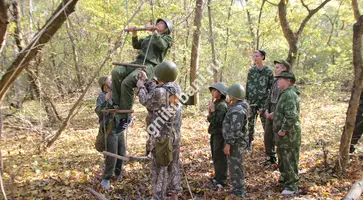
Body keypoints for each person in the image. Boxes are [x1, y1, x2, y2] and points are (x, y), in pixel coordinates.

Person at [111, 18, 173, 132]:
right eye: (158, 23)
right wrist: (134, 34)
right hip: (137, 62)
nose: (158, 24)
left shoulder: (167, 38)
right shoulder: (149, 38)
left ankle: (126, 117)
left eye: (161, 24)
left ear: (166, 29)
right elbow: (137, 45)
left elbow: (162, 45)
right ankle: (115, 102)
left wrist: (154, 32)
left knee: (127, 82)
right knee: (116, 72)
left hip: (149, 66)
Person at [136, 60, 182, 200]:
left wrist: (140, 86)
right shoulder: (176, 89)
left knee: (159, 169)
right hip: (175, 136)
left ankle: (159, 197)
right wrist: (147, 80)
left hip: (162, 137)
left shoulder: (159, 92)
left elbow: (145, 100)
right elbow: (159, 88)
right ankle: (174, 194)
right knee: (173, 165)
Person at [95, 76, 126, 190]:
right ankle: (106, 178)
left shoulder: (115, 94)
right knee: (111, 154)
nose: (112, 81)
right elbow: (99, 111)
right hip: (109, 129)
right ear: (104, 83)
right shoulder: (102, 96)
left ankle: (118, 174)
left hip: (118, 128)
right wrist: (107, 102)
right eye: (110, 80)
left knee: (121, 152)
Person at [273, 71, 301, 195]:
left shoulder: (289, 94)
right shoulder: (285, 93)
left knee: (290, 159)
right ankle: (286, 179)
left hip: (290, 135)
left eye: (280, 79)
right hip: (283, 135)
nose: (278, 81)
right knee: (283, 157)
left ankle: (292, 186)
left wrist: (283, 129)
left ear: (288, 81)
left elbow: (291, 115)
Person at [262, 60, 291, 166]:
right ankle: (270, 157)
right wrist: (265, 110)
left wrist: (276, 113)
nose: (275, 69)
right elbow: (269, 96)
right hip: (270, 110)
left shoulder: (287, 82)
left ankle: (282, 162)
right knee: (268, 136)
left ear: (284, 68)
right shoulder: (275, 81)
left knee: (279, 138)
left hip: (279, 113)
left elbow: (284, 101)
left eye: (278, 67)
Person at [222, 83, 249, 198]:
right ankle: (236, 188)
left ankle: (239, 192)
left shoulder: (238, 110)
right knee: (234, 166)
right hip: (235, 143)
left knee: (236, 167)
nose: (227, 96)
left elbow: (235, 130)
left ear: (234, 96)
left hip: (235, 144)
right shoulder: (236, 107)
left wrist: (228, 144)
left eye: (229, 94)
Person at [245, 50, 274, 151]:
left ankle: (269, 145)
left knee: (266, 124)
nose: (255, 58)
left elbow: (271, 88)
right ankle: (249, 142)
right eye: (254, 56)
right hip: (252, 102)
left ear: (262, 57)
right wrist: (247, 100)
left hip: (263, 103)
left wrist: (268, 102)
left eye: (257, 56)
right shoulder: (251, 71)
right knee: (250, 123)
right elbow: (248, 85)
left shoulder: (268, 71)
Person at [207, 82, 228, 189]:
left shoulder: (222, 105)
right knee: (215, 156)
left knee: (220, 157)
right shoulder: (216, 103)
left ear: (220, 93)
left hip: (220, 134)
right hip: (215, 133)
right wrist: (210, 113)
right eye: (212, 90)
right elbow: (210, 119)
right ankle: (217, 176)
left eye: (215, 90)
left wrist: (213, 111)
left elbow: (218, 122)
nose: (212, 92)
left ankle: (222, 180)